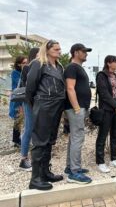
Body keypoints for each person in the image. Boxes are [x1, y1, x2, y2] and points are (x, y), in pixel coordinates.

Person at [26, 40, 65, 190]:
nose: (59, 51)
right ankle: (35, 179)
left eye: (59, 49)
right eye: (56, 49)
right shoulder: (38, 63)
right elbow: (30, 88)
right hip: (44, 105)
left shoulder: (59, 67)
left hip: (57, 106)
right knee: (40, 141)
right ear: (47, 50)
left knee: (49, 140)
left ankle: (45, 172)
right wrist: (37, 105)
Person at [64, 43, 92, 184]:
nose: (86, 53)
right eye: (84, 51)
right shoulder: (71, 67)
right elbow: (70, 88)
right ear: (76, 53)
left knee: (74, 138)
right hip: (76, 108)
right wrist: (76, 108)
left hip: (80, 108)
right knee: (77, 138)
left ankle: (70, 167)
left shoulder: (78, 68)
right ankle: (74, 173)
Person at [95, 55, 116, 172]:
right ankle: (100, 162)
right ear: (108, 63)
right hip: (107, 110)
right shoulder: (101, 75)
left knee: (115, 135)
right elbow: (104, 93)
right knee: (102, 136)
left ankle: (114, 159)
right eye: (115, 62)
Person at [19, 47, 39, 171]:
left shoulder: (39, 67)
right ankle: (23, 159)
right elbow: (26, 87)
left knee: (33, 129)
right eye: (39, 54)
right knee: (29, 129)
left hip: (36, 103)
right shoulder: (28, 67)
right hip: (29, 103)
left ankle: (31, 157)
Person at [9, 55, 28, 148]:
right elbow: (19, 84)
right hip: (17, 99)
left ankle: (23, 139)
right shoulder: (15, 73)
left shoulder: (27, 72)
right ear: (19, 64)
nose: (26, 64)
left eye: (27, 62)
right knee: (18, 120)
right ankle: (16, 140)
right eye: (24, 63)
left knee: (25, 121)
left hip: (24, 99)